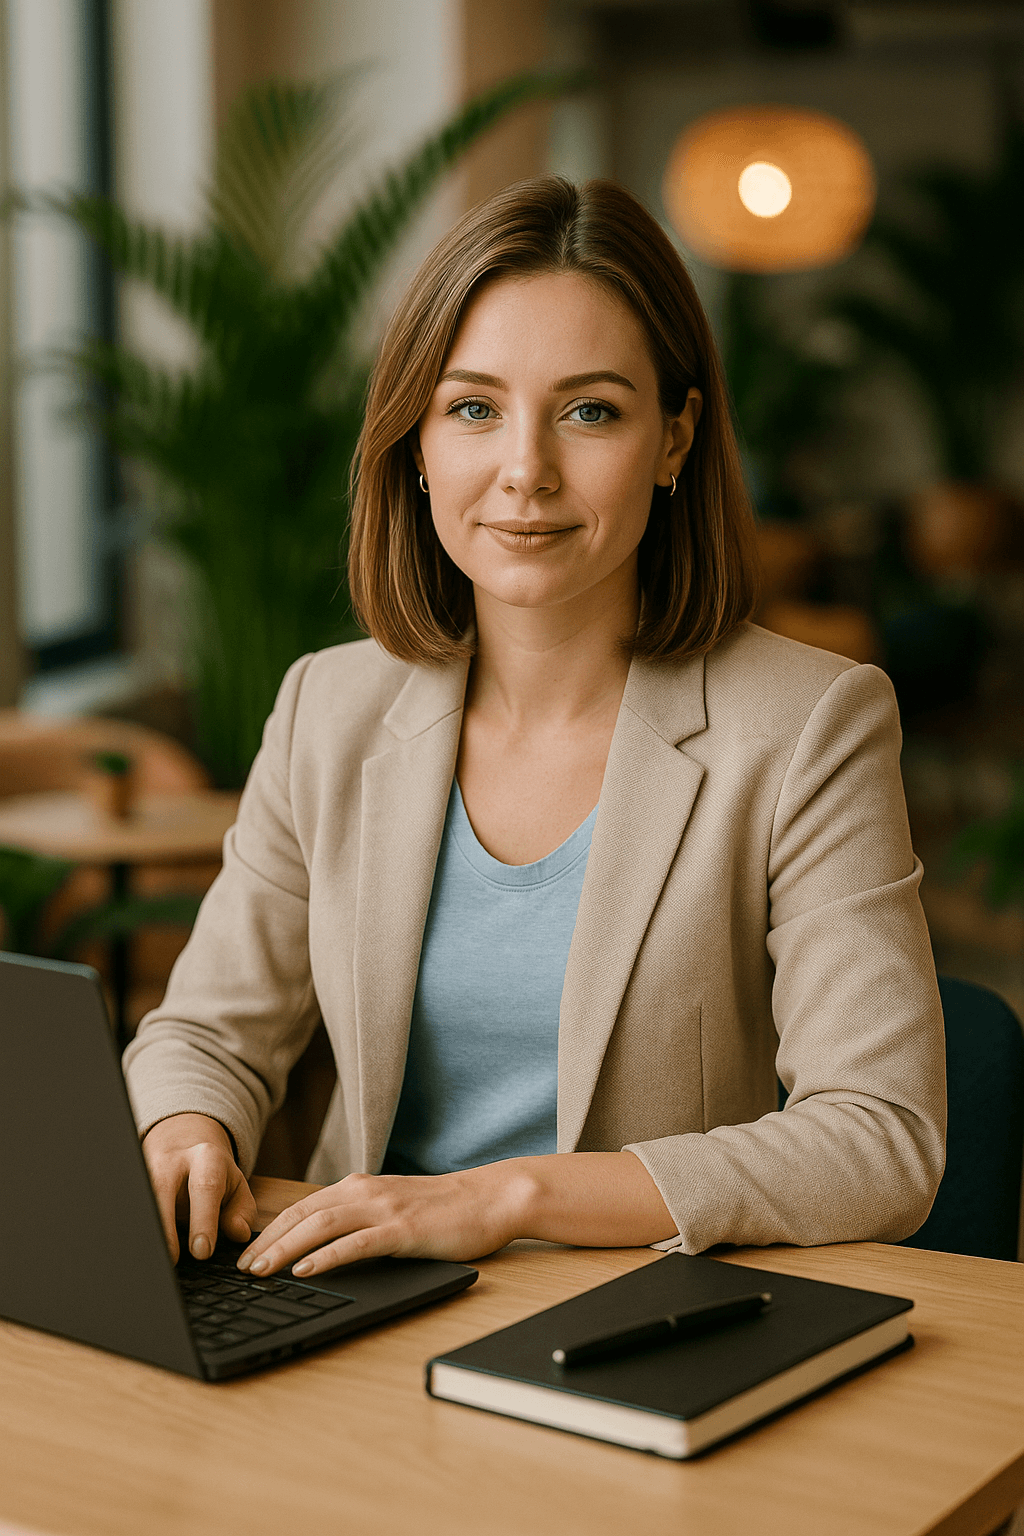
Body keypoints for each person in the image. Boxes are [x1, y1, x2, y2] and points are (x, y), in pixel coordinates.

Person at [125, 176, 945, 1281]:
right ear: (416, 443)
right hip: (349, 1303)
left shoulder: (809, 725)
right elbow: (203, 1033)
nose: (525, 471)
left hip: (640, 1318)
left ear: (674, 439)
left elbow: (881, 1138)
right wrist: (186, 1130)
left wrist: (503, 1198)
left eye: (589, 411)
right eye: (473, 408)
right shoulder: (328, 706)